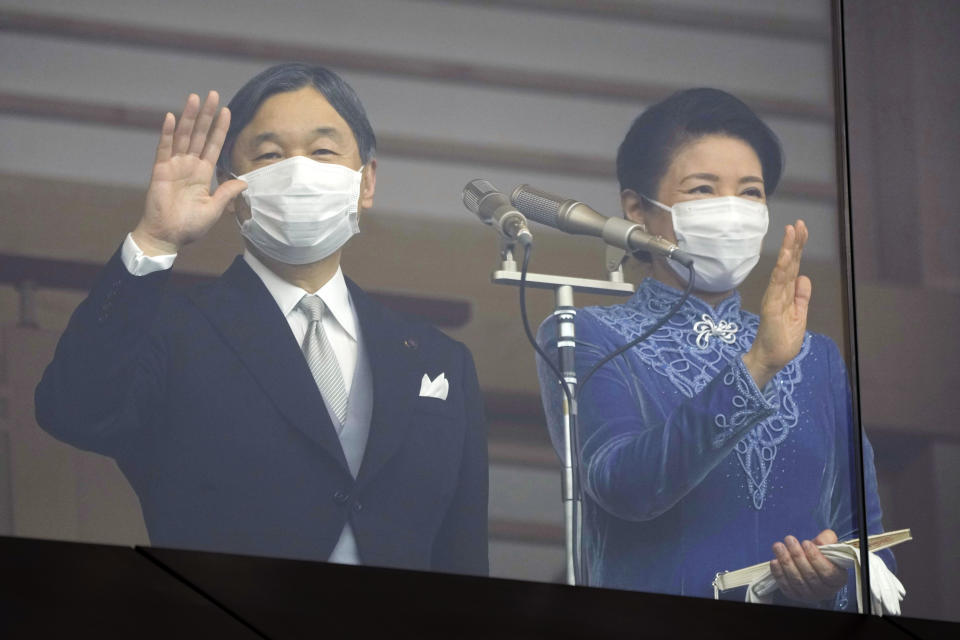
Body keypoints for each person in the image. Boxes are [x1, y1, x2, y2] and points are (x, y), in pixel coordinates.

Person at [35, 63, 488, 575]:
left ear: (366, 182)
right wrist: (155, 241)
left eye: (322, 151)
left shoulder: (440, 360)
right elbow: (74, 411)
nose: (298, 171)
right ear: (232, 186)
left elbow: (464, 556)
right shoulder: (174, 333)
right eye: (270, 155)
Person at [535, 88, 890, 607]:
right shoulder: (587, 334)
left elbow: (874, 546)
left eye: (750, 192)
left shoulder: (818, 357)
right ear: (637, 208)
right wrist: (757, 366)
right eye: (703, 189)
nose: (731, 211)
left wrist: (830, 583)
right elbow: (624, 486)